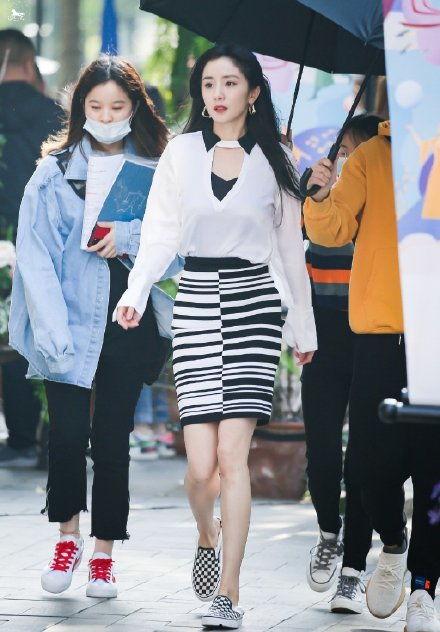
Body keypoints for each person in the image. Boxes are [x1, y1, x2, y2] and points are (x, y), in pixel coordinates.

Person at [115, 43, 317, 629]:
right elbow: (160, 232)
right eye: (209, 83)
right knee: (200, 468)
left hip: (255, 305)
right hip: (198, 301)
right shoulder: (181, 153)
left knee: (233, 458)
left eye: (230, 83)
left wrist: (302, 327)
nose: (218, 93)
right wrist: (135, 292)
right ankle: (207, 532)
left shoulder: (276, 158)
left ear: (254, 92)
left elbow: (290, 250)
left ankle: (229, 592)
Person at [9, 56, 177, 599]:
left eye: (117, 107)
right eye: (96, 106)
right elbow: (34, 256)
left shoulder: (157, 169)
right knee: (64, 435)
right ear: (80, 108)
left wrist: (129, 239)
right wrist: (52, 330)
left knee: (111, 439)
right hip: (66, 320)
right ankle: (67, 538)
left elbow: (178, 250)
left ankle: (104, 552)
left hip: (127, 319)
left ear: (135, 109)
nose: (106, 117)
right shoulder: (53, 172)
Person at [304, 120, 440, 632]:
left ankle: (424, 587)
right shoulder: (373, 155)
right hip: (380, 333)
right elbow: (333, 229)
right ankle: (394, 542)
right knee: (367, 468)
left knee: (434, 470)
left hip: (437, 335)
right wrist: (319, 196)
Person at [303, 114, 382, 614]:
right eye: (345, 151)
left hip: (372, 339)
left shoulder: (385, 209)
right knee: (322, 453)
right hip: (323, 340)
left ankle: (353, 567)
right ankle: (328, 532)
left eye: (360, 152)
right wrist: (313, 191)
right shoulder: (320, 199)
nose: (351, 160)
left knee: (364, 460)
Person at [0, 29, 63, 467]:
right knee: (42, 330)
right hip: (41, 240)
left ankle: (19, 437)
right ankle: (48, 437)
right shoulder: (54, 115)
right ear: (29, 63)